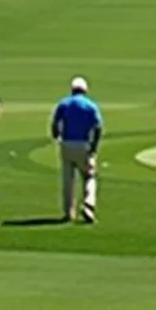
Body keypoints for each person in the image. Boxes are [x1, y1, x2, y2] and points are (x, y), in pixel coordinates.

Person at [51, 76, 103, 224]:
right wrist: (94, 147)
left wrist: (57, 136)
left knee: (68, 180)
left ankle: (68, 212)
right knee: (89, 176)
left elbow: (55, 123)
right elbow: (98, 127)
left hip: (66, 144)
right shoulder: (90, 105)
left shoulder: (64, 103)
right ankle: (88, 204)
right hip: (83, 144)